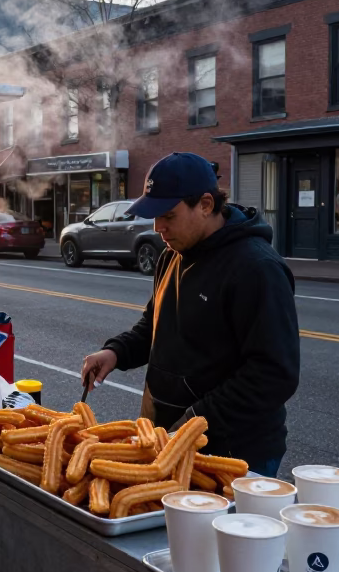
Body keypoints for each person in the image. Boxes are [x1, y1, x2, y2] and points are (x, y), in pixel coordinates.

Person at [80, 152, 300, 477]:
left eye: (168, 215)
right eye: (154, 216)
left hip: (233, 454)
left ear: (206, 205)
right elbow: (154, 324)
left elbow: (273, 374)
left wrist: (197, 419)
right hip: (168, 438)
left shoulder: (256, 268)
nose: (158, 228)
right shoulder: (172, 255)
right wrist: (116, 351)